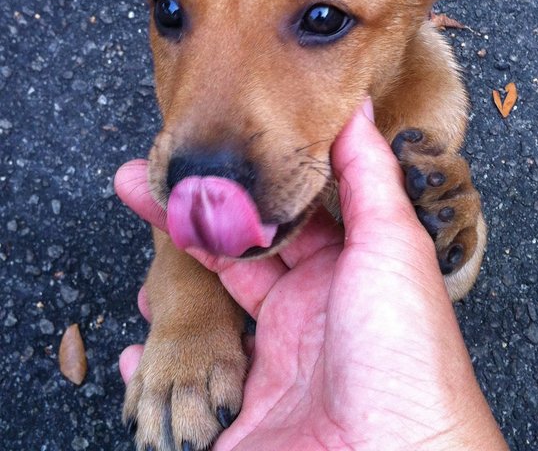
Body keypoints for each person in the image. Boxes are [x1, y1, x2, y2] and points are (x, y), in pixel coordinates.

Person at [115, 100, 509, 450]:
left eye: (321, 19)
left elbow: (453, 281)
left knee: (440, 255)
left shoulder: (422, 124)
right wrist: (191, 322)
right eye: (171, 14)